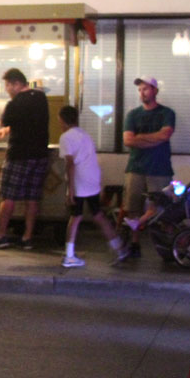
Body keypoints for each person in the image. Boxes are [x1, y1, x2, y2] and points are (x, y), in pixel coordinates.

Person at [58, 106, 131, 267]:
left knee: (76, 216)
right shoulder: (85, 135)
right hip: (93, 179)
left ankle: (69, 255)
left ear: (62, 120)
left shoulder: (65, 137)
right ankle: (119, 248)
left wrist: (70, 190)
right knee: (98, 215)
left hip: (80, 180)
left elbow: (70, 164)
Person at [0, 68, 50, 249]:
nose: (7, 90)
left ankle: (1, 235)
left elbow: (4, 122)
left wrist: (5, 128)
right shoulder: (41, 98)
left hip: (18, 155)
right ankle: (27, 237)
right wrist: (9, 129)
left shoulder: (15, 103)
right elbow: (28, 123)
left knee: (8, 196)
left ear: (16, 84)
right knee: (32, 198)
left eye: (8, 86)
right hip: (40, 155)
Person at [122, 76, 176, 257]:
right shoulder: (132, 115)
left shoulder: (167, 113)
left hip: (160, 168)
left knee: (163, 208)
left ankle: (169, 245)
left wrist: (140, 139)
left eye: (145, 89)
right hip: (135, 168)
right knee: (133, 208)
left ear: (155, 90)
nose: (142, 93)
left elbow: (165, 135)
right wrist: (154, 138)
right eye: (139, 90)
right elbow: (128, 140)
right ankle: (134, 244)